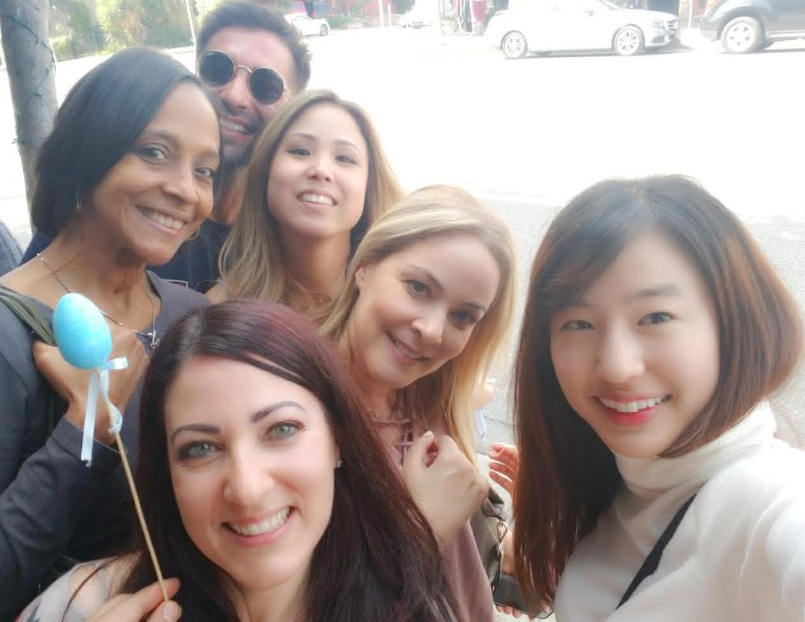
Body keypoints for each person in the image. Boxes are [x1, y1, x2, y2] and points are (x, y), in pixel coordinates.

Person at [16, 301, 462, 622]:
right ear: (167, 473)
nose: (247, 490)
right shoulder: (78, 605)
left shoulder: (415, 604)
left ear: (338, 440)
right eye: (200, 449)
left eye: (281, 430)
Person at [509, 176, 805, 621]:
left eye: (656, 317)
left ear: (733, 323)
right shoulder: (617, 485)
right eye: (579, 324)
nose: (616, 367)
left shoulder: (769, 497)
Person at [0, 48, 218, 619]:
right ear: (86, 150)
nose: (186, 190)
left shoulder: (190, 315)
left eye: (204, 170)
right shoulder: (8, 337)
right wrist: (85, 431)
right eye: (154, 152)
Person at [322, 185, 518, 622]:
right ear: (365, 267)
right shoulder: (291, 416)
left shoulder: (434, 409)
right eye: (418, 287)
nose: (432, 330)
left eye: (463, 316)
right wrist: (422, 530)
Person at [20, 0, 311, 292]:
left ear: (293, 109)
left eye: (266, 86)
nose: (235, 96)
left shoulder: (292, 232)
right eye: (218, 69)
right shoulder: (111, 205)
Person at [209, 90, 403, 320]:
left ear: (369, 185)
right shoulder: (217, 313)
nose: (320, 170)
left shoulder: (396, 310)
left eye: (344, 158)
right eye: (300, 151)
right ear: (266, 170)